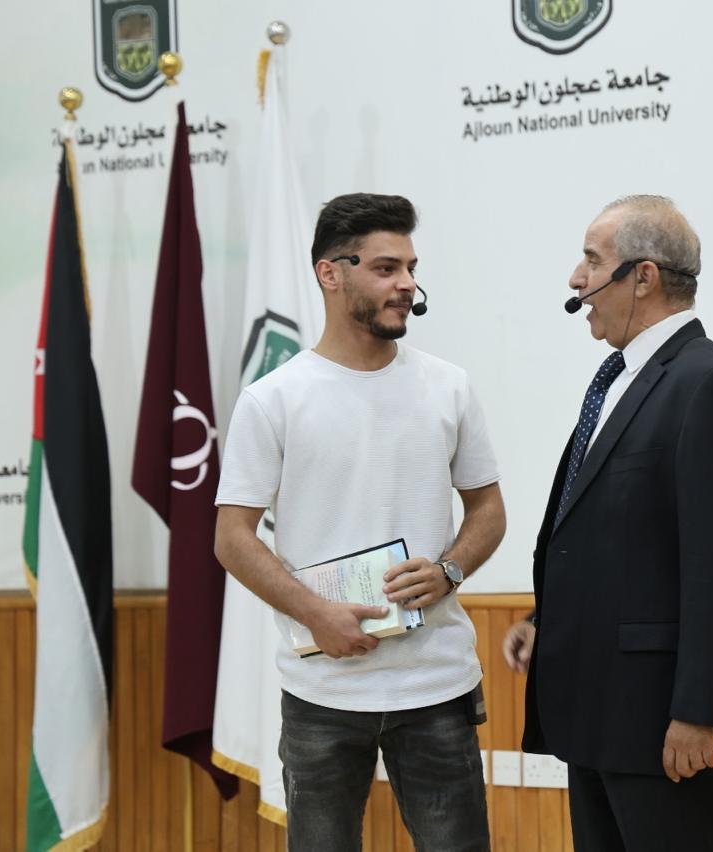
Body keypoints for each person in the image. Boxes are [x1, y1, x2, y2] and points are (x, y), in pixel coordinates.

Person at [215, 193, 505, 852]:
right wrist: (316, 614)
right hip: (322, 692)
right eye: (385, 268)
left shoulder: (449, 387)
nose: (406, 284)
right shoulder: (272, 400)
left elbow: (488, 511)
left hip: (437, 685)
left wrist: (450, 569)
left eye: (410, 268)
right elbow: (231, 538)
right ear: (330, 273)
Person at [502, 195, 713, 851]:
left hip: (664, 726)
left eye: (592, 261)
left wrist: (698, 711)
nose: (577, 279)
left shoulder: (706, 383)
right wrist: (546, 621)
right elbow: (620, 538)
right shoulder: (622, 377)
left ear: (643, 276)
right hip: (601, 719)